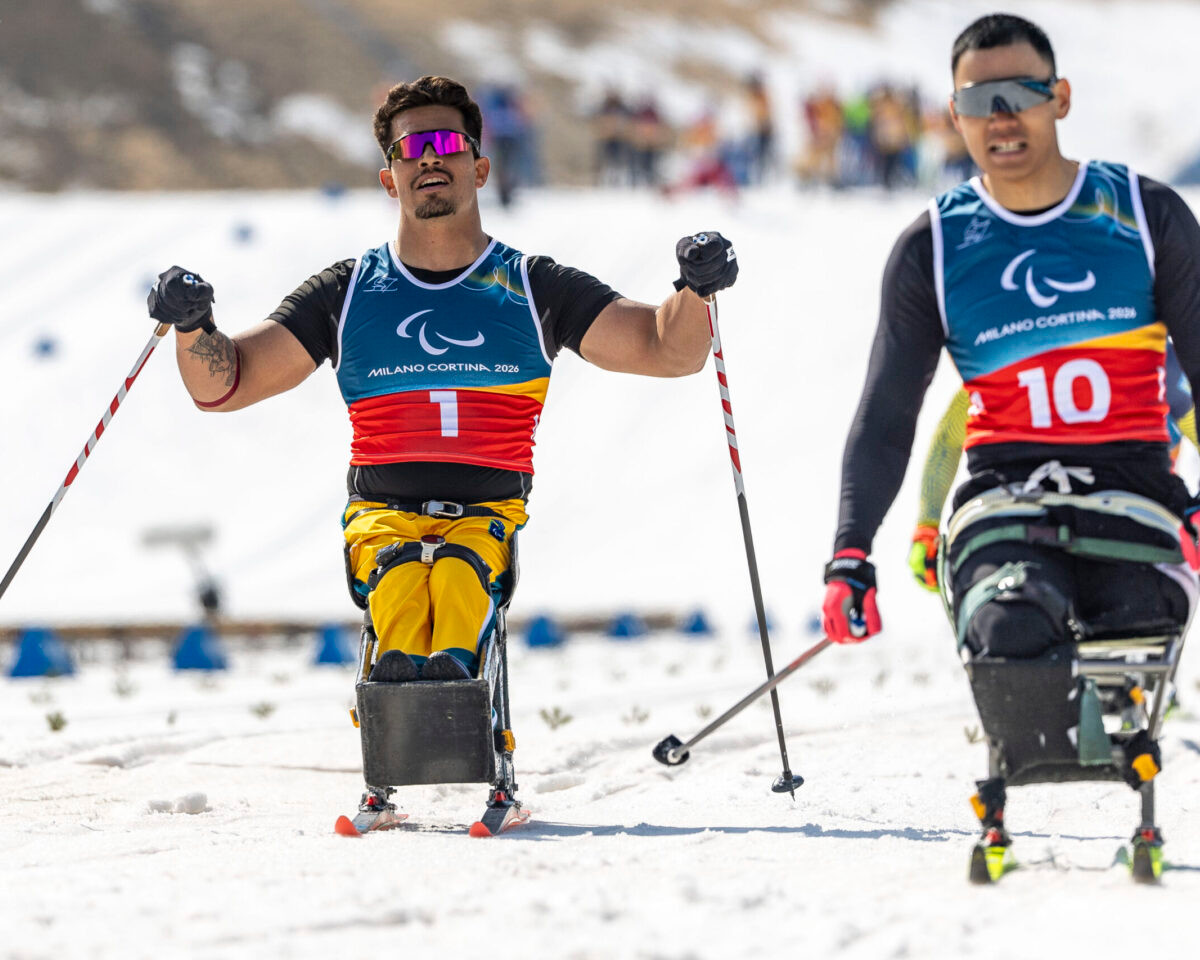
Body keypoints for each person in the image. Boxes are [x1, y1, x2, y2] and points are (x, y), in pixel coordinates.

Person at [148, 77, 735, 691]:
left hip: (487, 515)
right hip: (380, 517)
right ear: (389, 178)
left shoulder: (534, 287)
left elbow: (665, 350)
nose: (429, 155)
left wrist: (695, 288)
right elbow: (226, 385)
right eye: (410, 147)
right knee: (400, 572)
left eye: (447, 142)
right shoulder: (346, 293)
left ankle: (449, 676)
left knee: (459, 571)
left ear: (479, 168)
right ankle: (404, 687)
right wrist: (194, 327)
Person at [818, 14, 1200, 870]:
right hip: (1003, 497)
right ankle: (1032, 766)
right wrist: (853, 550)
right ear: (952, 117)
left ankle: (1125, 744)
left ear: (1058, 97)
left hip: (1136, 487)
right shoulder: (936, 247)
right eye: (976, 101)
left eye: (1020, 95)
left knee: (1140, 620)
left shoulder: (1146, 214)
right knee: (1009, 628)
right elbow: (890, 412)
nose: (1001, 118)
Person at [908, 352, 1198, 592]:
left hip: (1058, 523)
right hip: (1127, 524)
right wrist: (926, 525)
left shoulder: (1011, 353)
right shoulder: (1157, 359)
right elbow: (950, 435)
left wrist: (928, 524)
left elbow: (949, 436)